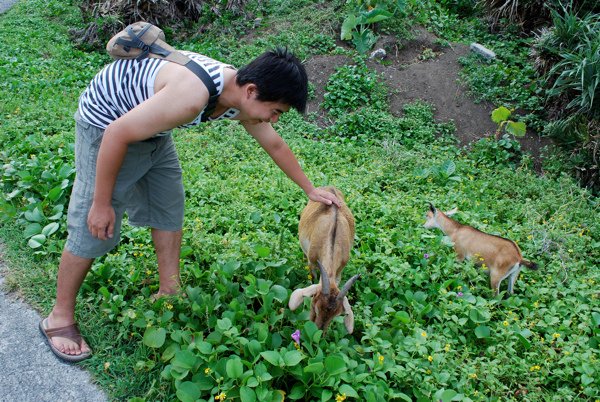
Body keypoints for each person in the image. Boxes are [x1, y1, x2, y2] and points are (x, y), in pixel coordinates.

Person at [39, 47, 341, 362]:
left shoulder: (237, 95)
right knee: (95, 225)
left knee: (168, 204)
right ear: (252, 91)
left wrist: (310, 190)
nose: (274, 119)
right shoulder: (192, 97)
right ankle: (59, 317)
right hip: (107, 125)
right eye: (276, 110)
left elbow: (274, 144)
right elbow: (117, 133)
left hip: (151, 128)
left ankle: (169, 289)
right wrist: (101, 203)